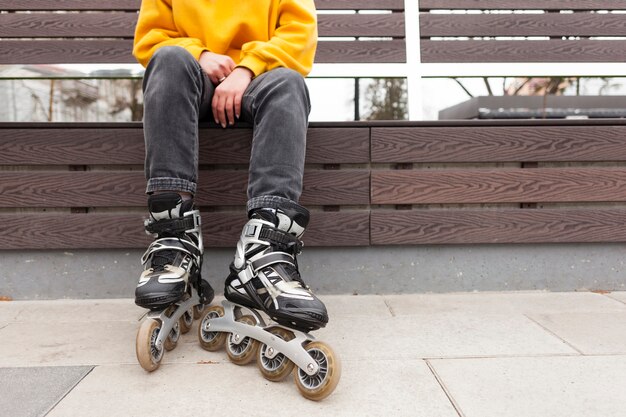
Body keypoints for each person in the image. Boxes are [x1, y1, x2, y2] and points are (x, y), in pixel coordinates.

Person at [132, 0, 328, 332]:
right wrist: (201, 55)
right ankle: (175, 238)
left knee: (289, 83)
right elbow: (151, 38)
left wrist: (247, 68)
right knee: (169, 59)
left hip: (259, 80)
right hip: (190, 79)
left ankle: (264, 249)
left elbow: (300, 34)